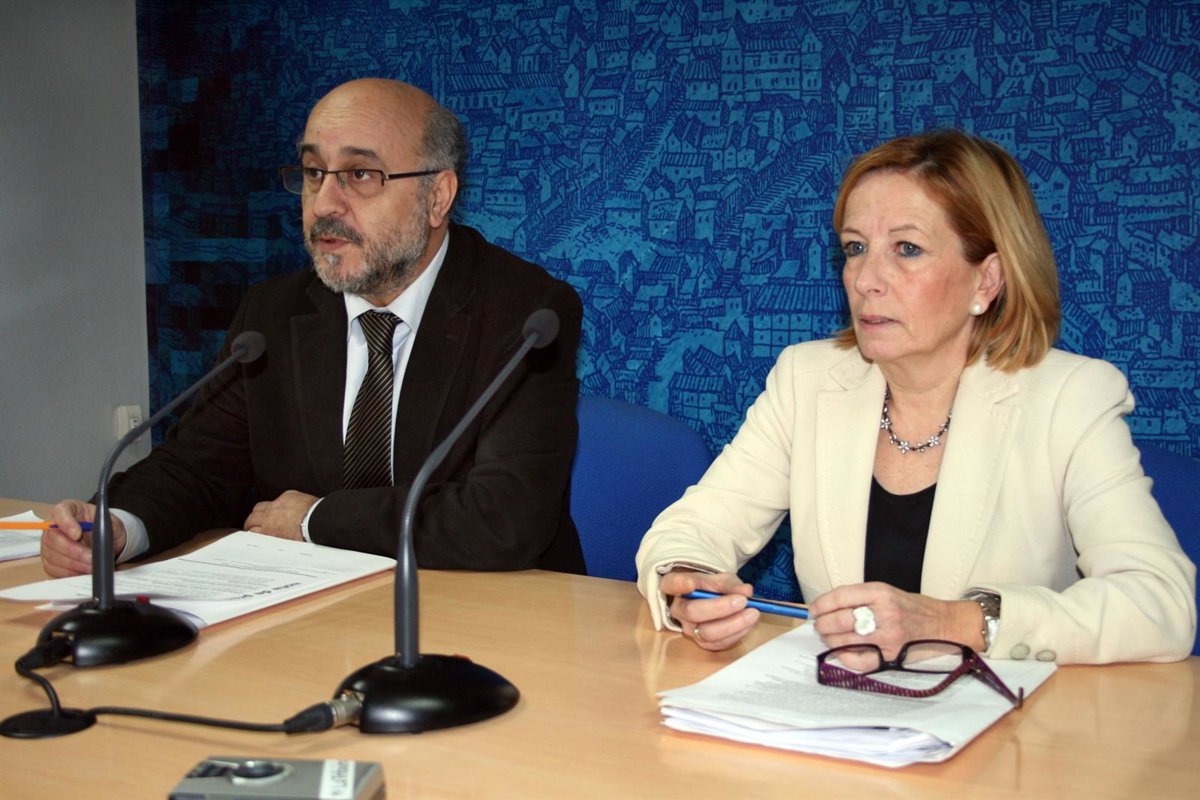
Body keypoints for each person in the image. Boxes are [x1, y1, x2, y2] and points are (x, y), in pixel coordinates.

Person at [636, 130, 1196, 665]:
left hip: (1013, 723)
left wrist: (956, 622)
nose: (865, 279)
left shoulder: (1070, 398)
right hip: (837, 709)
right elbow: (689, 532)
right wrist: (690, 585)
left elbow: (1160, 604)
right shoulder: (807, 380)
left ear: (986, 281)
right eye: (855, 248)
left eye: (907, 249)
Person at [42, 78, 585, 577]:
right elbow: (198, 467)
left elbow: (503, 517)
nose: (324, 203)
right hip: (317, 611)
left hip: (489, 611)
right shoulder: (271, 315)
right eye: (312, 173)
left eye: (360, 175)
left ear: (437, 197)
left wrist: (314, 520)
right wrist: (118, 526)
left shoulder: (527, 313)